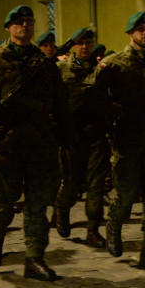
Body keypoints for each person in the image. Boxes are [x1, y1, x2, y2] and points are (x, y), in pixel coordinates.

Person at [0, 6, 72, 281]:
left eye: (29, 22)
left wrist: (66, 135)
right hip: (3, 144)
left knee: (37, 205)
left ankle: (34, 258)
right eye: (19, 22)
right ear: (8, 28)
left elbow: (60, 102)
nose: (25, 26)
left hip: (38, 144)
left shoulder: (44, 63)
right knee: (3, 204)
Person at [88, 11, 145, 269]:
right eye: (141, 30)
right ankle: (113, 225)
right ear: (130, 34)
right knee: (125, 196)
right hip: (126, 140)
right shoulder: (113, 64)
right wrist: (110, 122)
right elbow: (93, 97)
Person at [53, 27, 110, 247]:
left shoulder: (101, 70)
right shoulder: (60, 69)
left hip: (95, 133)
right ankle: (62, 211)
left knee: (96, 185)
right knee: (72, 182)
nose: (84, 47)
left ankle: (93, 229)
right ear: (73, 45)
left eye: (88, 43)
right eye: (80, 43)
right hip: (71, 135)